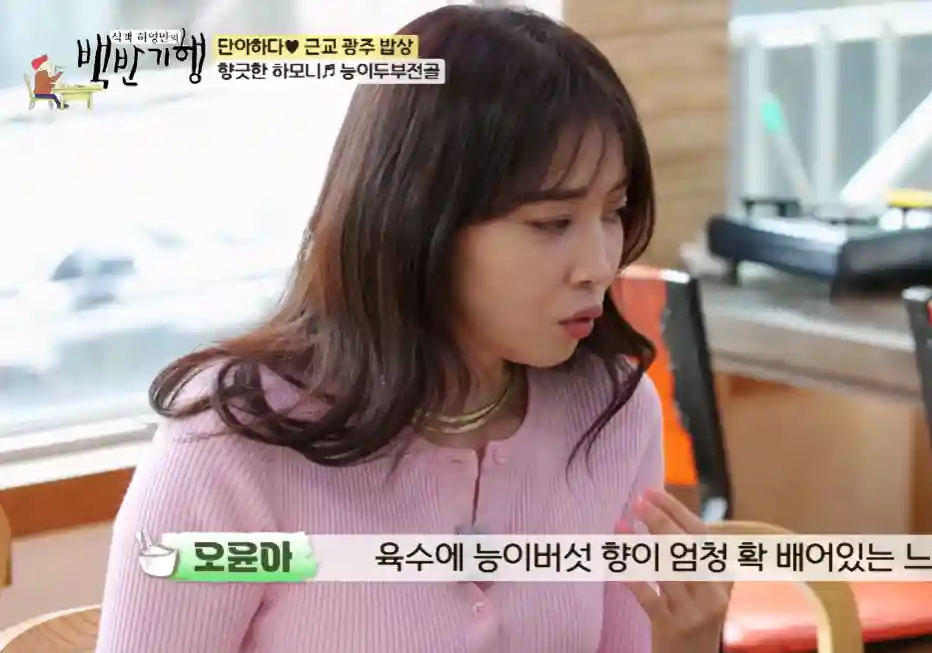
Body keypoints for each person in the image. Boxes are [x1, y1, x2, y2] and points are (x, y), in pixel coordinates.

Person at [95, 6, 731, 653]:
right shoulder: (232, 443)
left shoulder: (612, 414)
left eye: (613, 211)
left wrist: (690, 643)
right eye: (551, 223)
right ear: (419, 218)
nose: (598, 265)